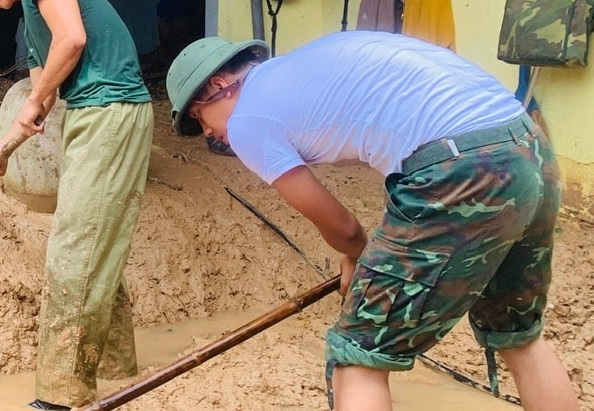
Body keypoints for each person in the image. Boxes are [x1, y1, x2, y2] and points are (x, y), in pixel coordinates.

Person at [165, 31, 578, 411]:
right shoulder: (301, 70)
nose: (209, 134)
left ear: (219, 86)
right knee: (519, 336)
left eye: (200, 119)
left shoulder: (247, 122)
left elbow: (343, 228)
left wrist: (356, 256)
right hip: (528, 147)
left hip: (464, 167)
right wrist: (367, 255)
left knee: (356, 355)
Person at [0, 0, 154, 410]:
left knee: (75, 246)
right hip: (90, 113)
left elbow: (73, 38)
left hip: (113, 110)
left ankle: (59, 399)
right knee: (93, 238)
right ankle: (112, 368)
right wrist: (1, 152)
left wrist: (39, 98)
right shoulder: (29, 9)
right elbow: (38, 102)